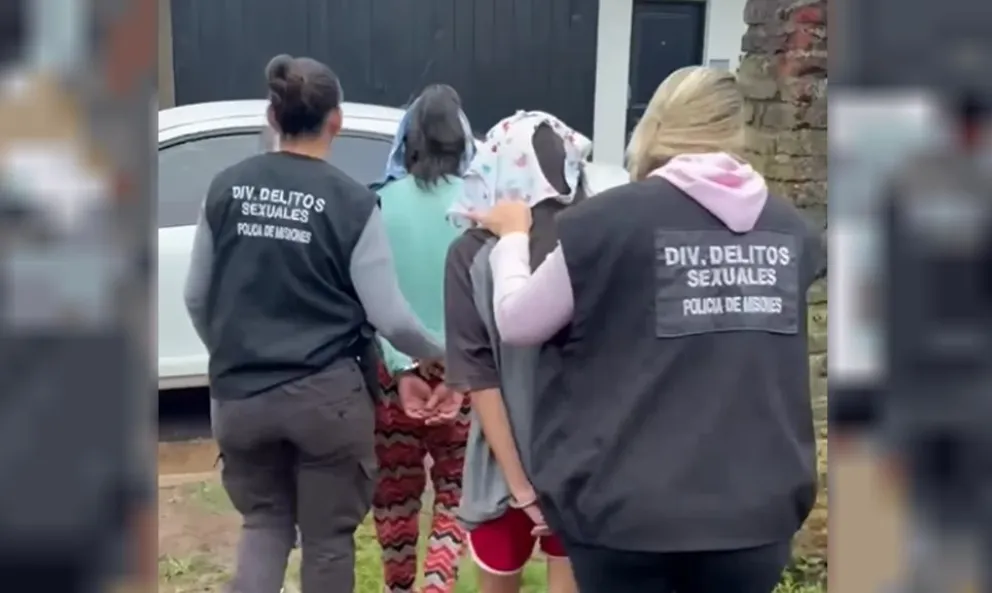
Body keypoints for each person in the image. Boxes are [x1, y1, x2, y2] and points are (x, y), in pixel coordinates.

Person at [469, 66, 827, 592]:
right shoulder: (792, 233)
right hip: (754, 517)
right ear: (736, 131)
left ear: (657, 124)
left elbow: (519, 322)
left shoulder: (605, 223)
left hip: (625, 516)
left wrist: (512, 238)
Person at [182, 54, 444, 593]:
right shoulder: (353, 202)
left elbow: (195, 296)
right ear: (337, 121)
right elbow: (390, 317)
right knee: (327, 541)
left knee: (264, 523)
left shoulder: (225, 188)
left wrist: (231, 353)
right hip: (328, 400)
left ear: (272, 117)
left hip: (240, 398)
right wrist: (445, 353)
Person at [443, 111, 589, 593]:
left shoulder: (470, 254)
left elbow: (480, 377)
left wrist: (521, 488)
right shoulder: (592, 241)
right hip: (579, 466)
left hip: (501, 469)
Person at [369, 84, 475, 593]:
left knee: (395, 499)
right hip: (464, 378)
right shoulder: (480, 209)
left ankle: (399, 587)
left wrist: (405, 364)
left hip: (393, 380)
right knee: (456, 495)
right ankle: (437, 585)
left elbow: (368, 300)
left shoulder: (376, 205)